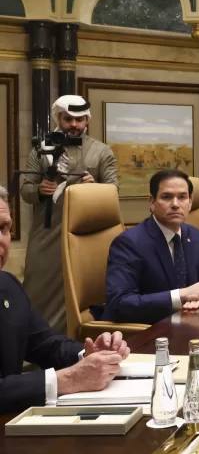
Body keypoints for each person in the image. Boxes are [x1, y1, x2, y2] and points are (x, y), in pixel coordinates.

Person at [0, 184, 129, 414]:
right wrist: (68, 379)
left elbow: (45, 345)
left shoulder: (7, 285)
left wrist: (87, 353)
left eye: (4, 228)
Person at [20, 95, 118, 333]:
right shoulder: (40, 150)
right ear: (58, 118)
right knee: (38, 289)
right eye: (68, 119)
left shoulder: (102, 152)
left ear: (87, 121)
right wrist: (40, 190)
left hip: (88, 235)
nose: (74, 124)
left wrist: (95, 187)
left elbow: (113, 191)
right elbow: (25, 189)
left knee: (84, 291)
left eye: (79, 119)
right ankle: (36, 352)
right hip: (48, 232)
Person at [104, 170, 199, 325]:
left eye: (182, 197)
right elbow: (120, 303)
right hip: (150, 331)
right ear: (152, 202)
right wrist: (182, 295)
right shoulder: (130, 242)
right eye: (167, 197)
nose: (175, 204)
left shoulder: (194, 235)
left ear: (190, 202)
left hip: (189, 323)